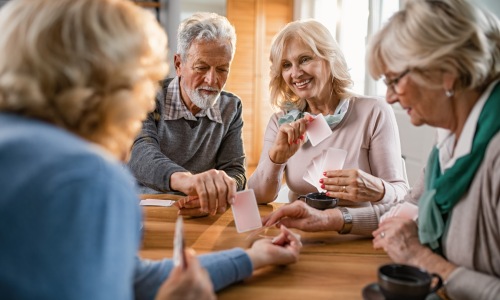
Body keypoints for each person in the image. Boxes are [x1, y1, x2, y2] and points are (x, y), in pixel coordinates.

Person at [0, 0, 302, 299]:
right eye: (138, 79)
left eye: (222, 69)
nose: (145, 99)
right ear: (101, 80)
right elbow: (140, 151)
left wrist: (252, 258)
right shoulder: (89, 178)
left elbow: (132, 277)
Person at [265, 0, 500, 298]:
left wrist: (422, 259)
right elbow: (406, 210)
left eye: (395, 80)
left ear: (446, 72)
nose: (389, 97)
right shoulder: (448, 143)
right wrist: (331, 219)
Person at [247, 19, 409, 231]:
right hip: (299, 235)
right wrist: (276, 159)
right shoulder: (281, 122)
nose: (295, 74)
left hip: (359, 236)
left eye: (304, 59)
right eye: (286, 65)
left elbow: (402, 195)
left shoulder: (373, 111)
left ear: (330, 59)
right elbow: (258, 197)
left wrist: (377, 189)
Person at [128, 12, 245, 217]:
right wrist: (189, 181)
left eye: (222, 69)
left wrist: (216, 193)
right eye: (201, 67)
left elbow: (236, 172)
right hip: (144, 209)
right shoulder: (148, 96)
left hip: (199, 212)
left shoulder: (231, 107)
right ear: (179, 64)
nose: (211, 80)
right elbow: (140, 153)